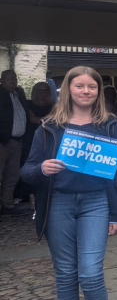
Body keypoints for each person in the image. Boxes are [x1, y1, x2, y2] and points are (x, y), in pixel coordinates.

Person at [21, 66, 117, 300]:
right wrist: (43, 168)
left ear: (98, 92)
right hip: (59, 205)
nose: (85, 91)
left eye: (91, 87)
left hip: (96, 202)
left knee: (91, 273)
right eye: (79, 86)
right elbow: (27, 171)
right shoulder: (49, 126)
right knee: (66, 274)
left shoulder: (108, 125)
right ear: (67, 89)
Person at [17, 82, 55, 210]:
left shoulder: (53, 106)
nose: (42, 93)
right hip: (29, 139)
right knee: (29, 165)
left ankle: (40, 195)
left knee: (45, 165)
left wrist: (42, 119)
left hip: (48, 139)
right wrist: (45, 119)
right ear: (35, 91)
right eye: (39, 90)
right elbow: (33, 120)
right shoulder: (28, 104)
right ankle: (30, 197)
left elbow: (51, 119)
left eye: (45, 90)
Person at [1, 69, 31, 217]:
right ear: (1, 80)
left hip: (17, 141)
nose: (12, 80)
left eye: (14, 78)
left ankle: (7, 204)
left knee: (13, 175)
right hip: (2, 141)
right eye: (8, 78)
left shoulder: (19, 94)